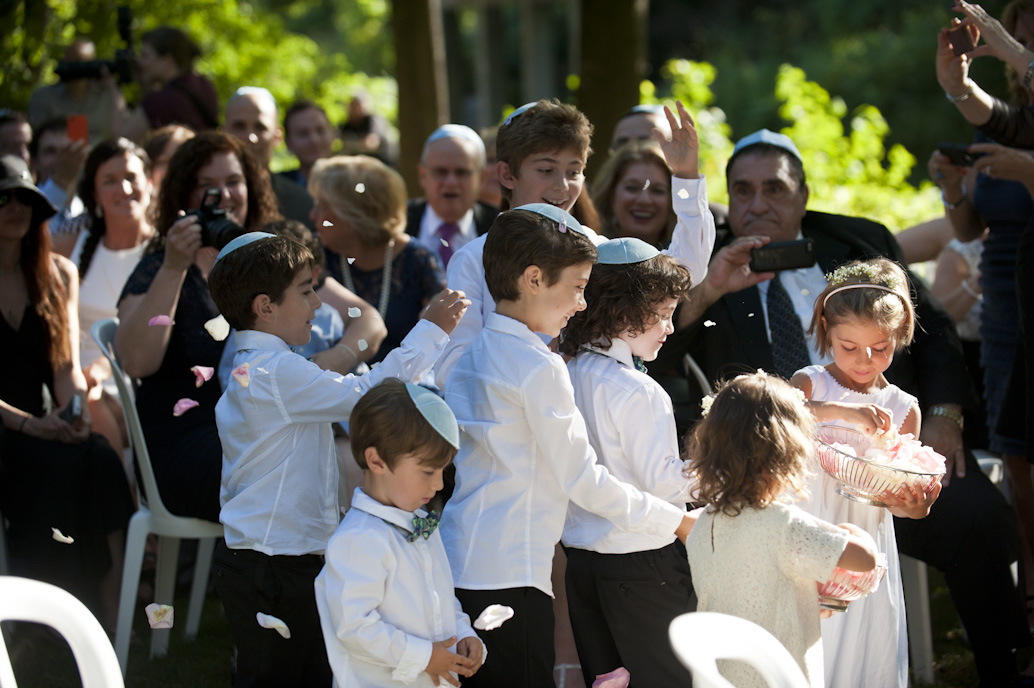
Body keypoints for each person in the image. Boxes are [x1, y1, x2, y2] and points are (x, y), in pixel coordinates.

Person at [658, 127, 1029, 686]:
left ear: (804, 195)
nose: (758, 205)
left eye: (775, 190)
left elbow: (935, 335)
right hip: (775, 485)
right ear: (728, 198)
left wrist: (945, 417)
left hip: (884, 462)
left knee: (975, 515)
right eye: (743, 191)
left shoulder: (857, 244)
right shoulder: (709, 264)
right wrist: (710, 288)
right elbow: (658, 356)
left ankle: (1007, 671)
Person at [439, 205, 697, 687]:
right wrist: (678, 520)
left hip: (460, 558)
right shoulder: (540, 365)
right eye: (578, 288)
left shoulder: (474, 351)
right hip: (510, 572)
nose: (583, 304)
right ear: (534, 279)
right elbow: (584, 480)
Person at [207, 231, 467, 687]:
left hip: (278, 557)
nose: (317, 305)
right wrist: (432, 331)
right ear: (265, 307)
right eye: (306, 292)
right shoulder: (273, 372)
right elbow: (366, 396)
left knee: (302, 670)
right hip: (273, 563)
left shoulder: (272, 367)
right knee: (276, 675)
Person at [436, 99, 716, 389]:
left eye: (574, 171)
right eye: (546, 170)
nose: (561, 185)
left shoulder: (596, 248)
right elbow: (454, 367)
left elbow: (684, 270)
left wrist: (685, 176)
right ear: (507, 175)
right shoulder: (474, 258)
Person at [113, 131, 280, 522]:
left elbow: (362, 317)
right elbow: (135, 361)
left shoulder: (266, 259)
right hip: (181, 442)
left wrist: (340, 351)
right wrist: (174, 266)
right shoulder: (160, 265)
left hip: (256, 431)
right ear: (184, 198)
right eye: (207, 186)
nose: (223, 196)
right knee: (287, 472)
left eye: (233, 182)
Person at [791, 258, 942, 688]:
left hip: (866, 539)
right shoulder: (812, 384)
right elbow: (777, 413)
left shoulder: (903, 407)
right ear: (826, 329)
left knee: (860, 644)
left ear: (899, 336)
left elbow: (904, 498)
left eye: (881, 348)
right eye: (848, 347)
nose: (864, 361)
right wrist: (844, 410)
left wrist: (917, 505)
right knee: (811, 645)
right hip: (810, 524)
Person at [0, 154, 134, 632]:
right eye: (2, 198)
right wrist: (29, 424)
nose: (14, 207)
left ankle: (111, 614)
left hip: (42, 419)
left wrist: (74, 410)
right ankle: (49, 614)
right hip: (7, 427)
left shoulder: (58, 274)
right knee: (51, 467)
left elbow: (63, 367)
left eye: (24, 198)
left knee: (99, 457)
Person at [558, 237, 697, 686]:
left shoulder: (564, 371)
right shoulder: (639, 390)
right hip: (644, 566)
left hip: (582, 567)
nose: (670, 328)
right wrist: (723, 471)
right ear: (622, 313)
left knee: (609, 681)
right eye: (662, 315)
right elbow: (664, 485)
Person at [685, 371, 877, 688]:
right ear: (788, 453)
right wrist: (849, 529)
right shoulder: (785, 526)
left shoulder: (706, 522)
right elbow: (865, 559)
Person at [315, 380, 486, 688]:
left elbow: (440, 599)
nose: (438, 486)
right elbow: (354, 626)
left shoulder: (421, 525)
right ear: (377, 460)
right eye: (427, 472)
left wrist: (464, 634)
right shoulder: (359, 539)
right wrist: (423, 657)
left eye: (442, 472)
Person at [312, 155, 447, 364]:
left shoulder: (418, 261)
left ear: (354, 215)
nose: (312, 215)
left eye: (322, 206)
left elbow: (439, 337)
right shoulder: (317, 257)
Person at [69, 139, 156, 460]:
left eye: (131, 177)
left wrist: (97, 373)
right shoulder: (72, 244)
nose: (124, 188)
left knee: (92, 403)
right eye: (109, 180)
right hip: (69, 374)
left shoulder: (164, 252)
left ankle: (126, 504)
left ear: (149, 183)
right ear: (93, 194)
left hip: (131, 375)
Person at [223, 87, 315, 229]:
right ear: (223, 132)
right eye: (239, 126)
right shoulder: (200, 197)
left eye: (260, 127)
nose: (250, 137)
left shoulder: (302, 204)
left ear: (277, 136)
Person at [407, 124, 497, 268]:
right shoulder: (395, 224)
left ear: (482, 178)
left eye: (462, 172)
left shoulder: (500, 227)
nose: (450, 182)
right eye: (441, 172)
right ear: (423, 175)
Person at [109, 26, 219, 142]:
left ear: (167, 60)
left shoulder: (161, 100)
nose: (139, 62)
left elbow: (121, 137)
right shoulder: (204, 85)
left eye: (145, 56)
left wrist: (113, 87)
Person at [28, 38, 116, 145]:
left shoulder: (107, 95)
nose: (78, 68)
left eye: (83, 63)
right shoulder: (43, 97)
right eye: (73, 62)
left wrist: (112, 87)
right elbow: (38, 141)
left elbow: (123, 130)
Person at [591, 140, 677, 247]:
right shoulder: (582, 258)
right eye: (632, 188)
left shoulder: (691, 259)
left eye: (657, 190)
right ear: (610, 194)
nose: (644, 200)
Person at [28, 117, 88, 237]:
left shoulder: (93, 207)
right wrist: (60, 183)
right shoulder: (23, 206)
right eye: (50, 151)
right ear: (34, 162)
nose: (61, 160)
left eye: (67, 151)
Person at [278, 99, 337, 188]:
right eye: (303, 134)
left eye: (320, 130)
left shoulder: (355, 181)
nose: (314, 140)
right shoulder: (277, 187)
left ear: (333, 134)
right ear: (288, 143)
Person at [339, 89, 396, 166]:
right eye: (351, 105)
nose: (352, 109)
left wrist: (351, 144)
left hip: (381, 163)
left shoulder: (374, 120)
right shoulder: (347, 125)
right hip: (359, 166)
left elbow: (372, 143)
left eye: (356, 105)